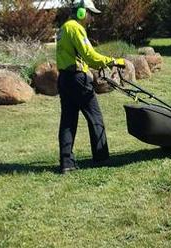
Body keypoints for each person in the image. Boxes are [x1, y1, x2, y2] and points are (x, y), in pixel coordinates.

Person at [56, 0, 125, 174]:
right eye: (90, 13)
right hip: (78, 79)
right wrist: (113, 61)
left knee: (68, 121)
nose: (92, 18)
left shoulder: (64, 27)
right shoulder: (76, 28)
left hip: (64, 78)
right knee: (95, 117)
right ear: (81, 12)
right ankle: (101, 158)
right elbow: (90, 56)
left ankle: (67, 163)